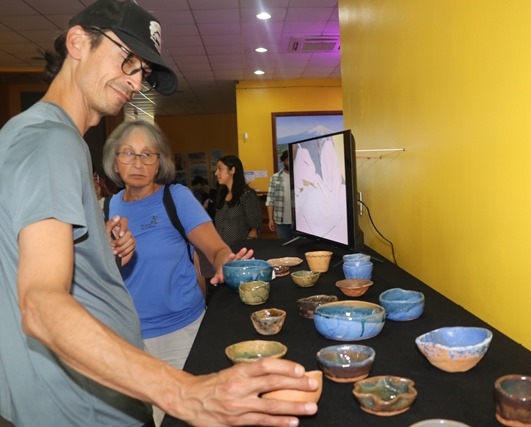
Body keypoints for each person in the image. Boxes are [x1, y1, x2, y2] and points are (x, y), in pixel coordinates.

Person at [0, 1, 318, 426]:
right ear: (78, 41)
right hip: (83, 404)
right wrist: (184, 392)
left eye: (143, 73)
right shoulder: (52, 142)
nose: (134, 81)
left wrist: (102, 251)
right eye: (126, 59)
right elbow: (40, 303)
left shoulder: (30, 135)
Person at [102, 120, 235, 425]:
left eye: (148, 154)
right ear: (114, 160)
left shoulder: (176, 198)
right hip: (129, 341)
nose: (138, 162)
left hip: (181, 335)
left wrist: (225, 261)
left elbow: (216, 249)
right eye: (128, 153)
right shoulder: (105, 209)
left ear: (160, 162)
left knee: (186, 418)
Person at [214, 154, 262, 244]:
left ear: (232, 170)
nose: (216, 173)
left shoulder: (246, 196)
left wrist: (243, 248)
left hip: (241, 252)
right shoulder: (221, 194)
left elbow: (254, 229)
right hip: (224, 250)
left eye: (220, 169)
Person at [266, 150, 293, 239]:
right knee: (284, 246)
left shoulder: (300, 176)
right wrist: (270, 219)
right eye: (288, 160)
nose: (291, 162)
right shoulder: (275, 177)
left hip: (299, 222)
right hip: (281, 221)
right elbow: (270, 200)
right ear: (283, 161)